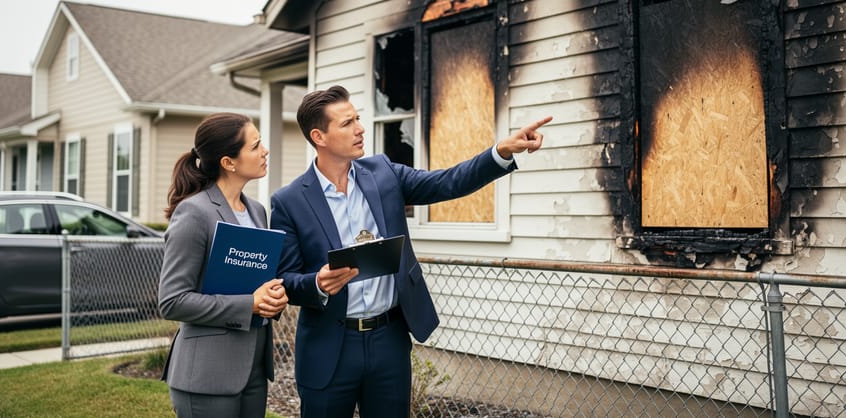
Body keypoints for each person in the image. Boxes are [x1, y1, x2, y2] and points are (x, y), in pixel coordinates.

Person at [270, 85, 552, 417]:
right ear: (319, 136)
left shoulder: (384, 173)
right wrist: (317, 283)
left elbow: (447, 182)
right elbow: (285, 280)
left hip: (388, 339)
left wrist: (500, 152)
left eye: (358, 119)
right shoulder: (289, 201)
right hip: (330, 345)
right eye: (347, 123)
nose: (360, 129)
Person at [157, 112, 288, 418]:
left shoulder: (256, 211)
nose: (265, 150)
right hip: (206, 376)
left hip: (254, 370)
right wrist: (250, 305)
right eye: (255, 146)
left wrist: (272, 299)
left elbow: (254, 284)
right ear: (229, 162)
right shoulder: (194, 212)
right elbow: (172, 301)